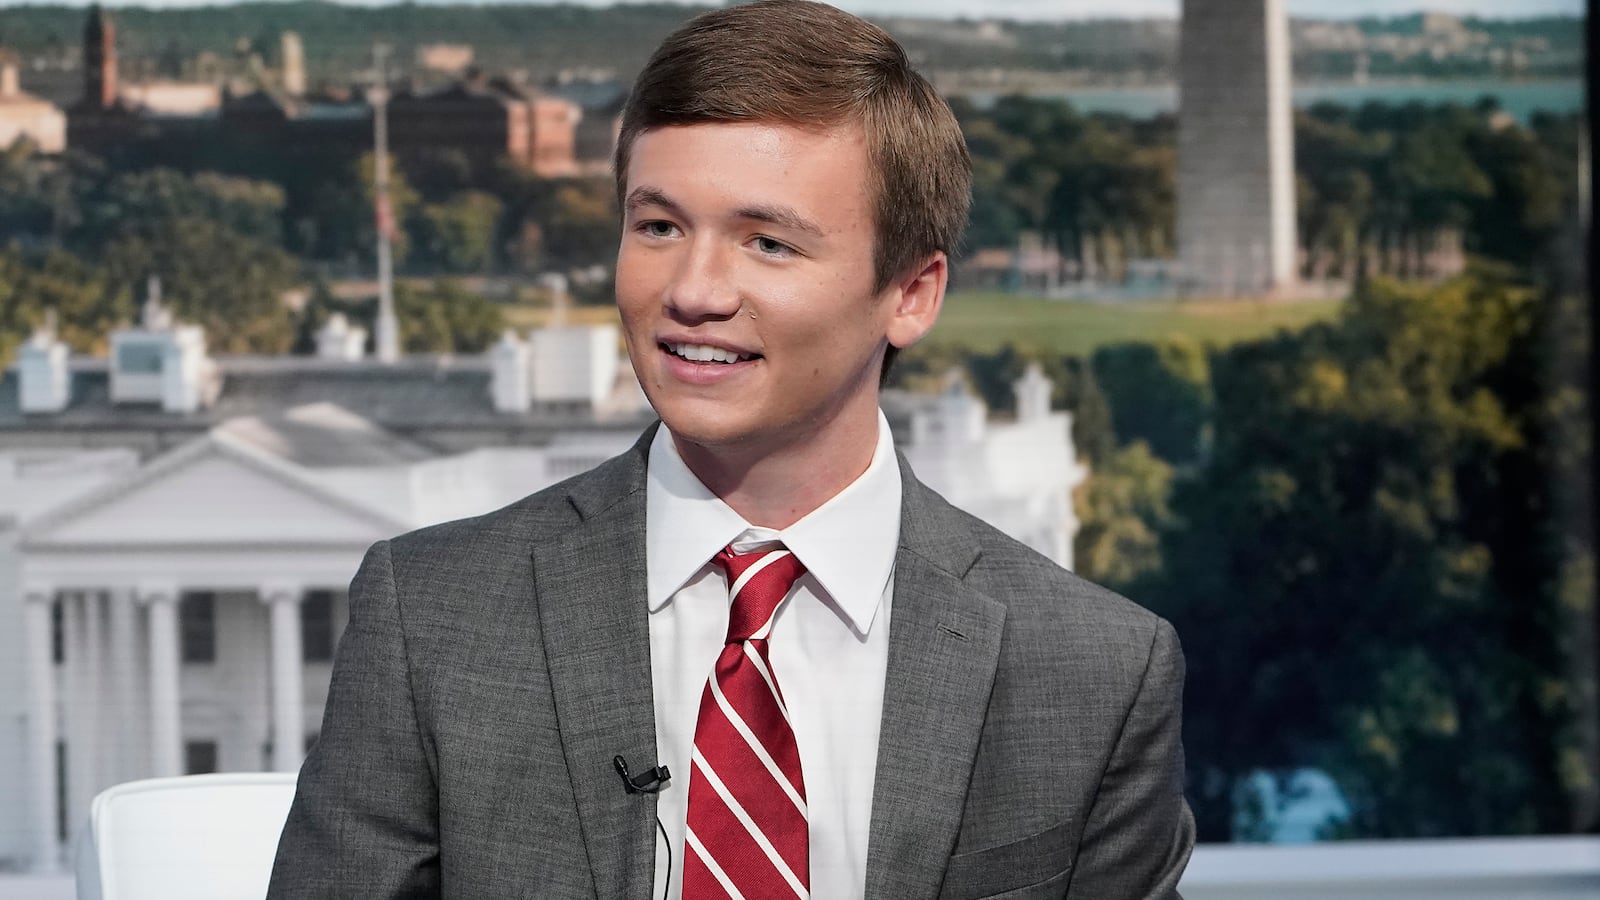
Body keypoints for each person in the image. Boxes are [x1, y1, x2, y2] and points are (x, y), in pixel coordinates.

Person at [267, 1, 1194, 897]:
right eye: (659, 226)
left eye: (768, 243)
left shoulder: (1095, 672)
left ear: (911, 294)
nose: (694, 291)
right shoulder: (430, 618)